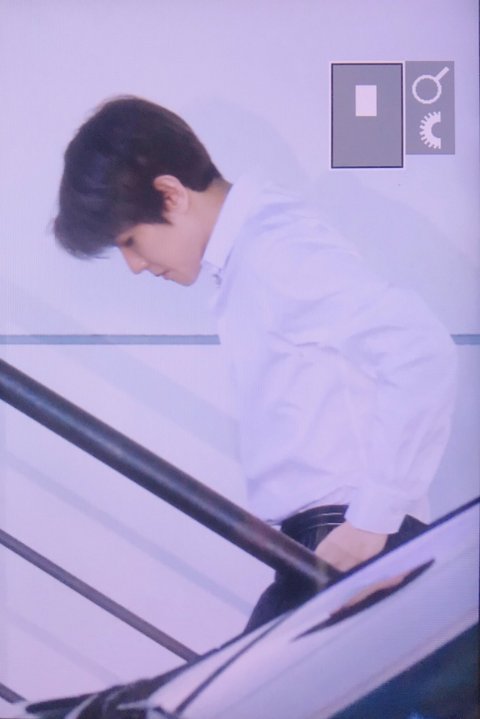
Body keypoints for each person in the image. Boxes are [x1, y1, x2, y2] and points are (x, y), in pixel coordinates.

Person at [54, 96, 457, 631]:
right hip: (326, 542)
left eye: (130, 241)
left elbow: (420, 351)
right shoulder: (254, 254)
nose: (133, 265)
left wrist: (371, 521)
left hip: (348, 539)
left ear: (171, 194)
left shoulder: (274, 251)